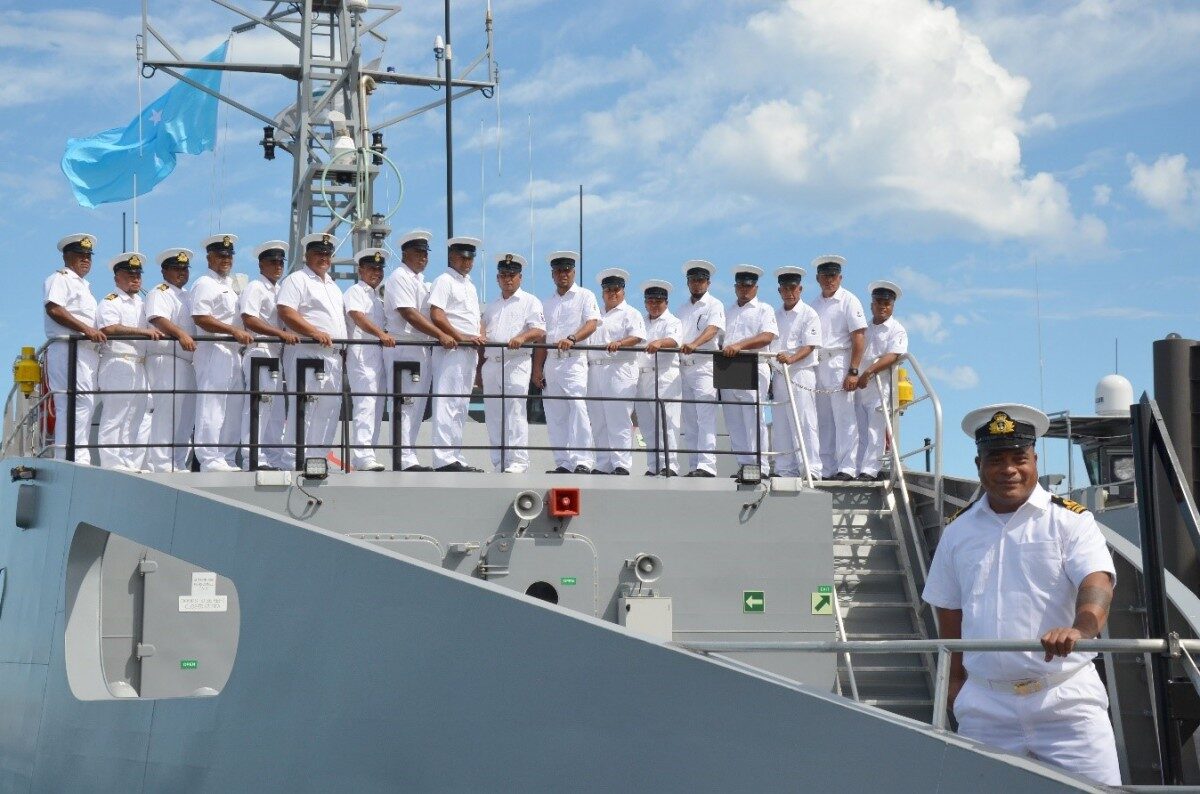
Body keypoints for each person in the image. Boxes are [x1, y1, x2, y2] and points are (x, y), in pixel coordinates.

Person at [922, 404, 1120, 786]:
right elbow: (950, 608)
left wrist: (1080, 629)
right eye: (996, 459)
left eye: (1019, 458)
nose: (1009, 469)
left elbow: (1097, 582)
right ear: (979, 464)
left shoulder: (1071, 520)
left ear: (1034, 460)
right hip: (985, 706)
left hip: (1065, 701)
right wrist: (955, 680)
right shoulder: (957, 532)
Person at [383, 230, 453, 472]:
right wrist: (441, 334)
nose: (423, 257)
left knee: (417, 406)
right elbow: (409, 313)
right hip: (403, 346)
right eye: (418, 253)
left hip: (420, 348)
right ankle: (402, 457)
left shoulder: (422, 282)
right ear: (405, 254)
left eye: (425, 253)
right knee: (405, 404)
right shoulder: (399, 277)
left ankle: (408, 454)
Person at [277, 232, 348, 468]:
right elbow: (287, 312)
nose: (324, 258)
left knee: (329, 409)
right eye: (318, 253)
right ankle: (293, 459)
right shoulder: (297, 280)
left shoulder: (333, 286)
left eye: (327, 254)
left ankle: (317, 459)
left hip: (333, 356)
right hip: (307, 352)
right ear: (307, 255)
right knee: (305, 407)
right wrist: (312, 332)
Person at [532, 251, 600, 474]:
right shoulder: (546, 303)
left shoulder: (585, 296)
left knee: (578, 408)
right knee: (555, 413)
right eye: (559, 271)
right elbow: (542, 338)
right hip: (551, 361)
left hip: (574, 360)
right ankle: (563, 462)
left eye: (567, 270)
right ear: (553, 274)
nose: (564, 274)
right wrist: (537, 368)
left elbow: (592, 324)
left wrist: (572, 338)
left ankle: (583, 460)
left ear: (573, 272)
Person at [191, 233, 253, 472]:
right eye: (220, 256)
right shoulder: (204, 284)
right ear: (209, 258)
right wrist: (233, 331)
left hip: (232, 350)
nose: (225, 260)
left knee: (232, 405)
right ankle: (209, 457)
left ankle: (226, 456)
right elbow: (201, 317)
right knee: (212, 404)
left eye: (228, 256)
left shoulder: (230, 286)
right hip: (213, 347)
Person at [481, 253, 546, 473]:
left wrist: (522, 337)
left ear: (520, 277)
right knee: (493, 414)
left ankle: (518, 460)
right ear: (498, 278)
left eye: (512, 275)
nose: (508, 279)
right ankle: (499, 461)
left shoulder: (530, 301)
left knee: (515, 411)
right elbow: (483, 334)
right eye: (503, 275)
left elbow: (539, 330)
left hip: (516, 361)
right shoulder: (492, 306)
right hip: (491, 362)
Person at [95, 253, 160, 470]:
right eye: (129, 275)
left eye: (138, 275)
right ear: (117, 279)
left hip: (140, 364)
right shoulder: (110, 301)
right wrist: (143, 331)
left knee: (136, 414)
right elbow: (109, 328)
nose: (135, 279)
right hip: (118, 362)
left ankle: (128, 460)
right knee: (116, 413)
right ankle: (111, 461)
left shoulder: (143, 303)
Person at [44, 233, 105, 463]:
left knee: (85, 402)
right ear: (67, 256)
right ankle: (68, 456)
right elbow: (55, 309)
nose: (86, 259)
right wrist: (86, 330)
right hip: (67, 347)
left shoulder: (84, 286)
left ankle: (78, 454)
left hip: (85, 351)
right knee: (69, 402)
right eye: (81, 255)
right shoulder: (59, 279)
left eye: (89, 255)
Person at [238, 241, 298, 471]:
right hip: (259, 349)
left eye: (280, 262)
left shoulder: (278, 291)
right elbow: (249, 319)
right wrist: (279, 334)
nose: (277, 266)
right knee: (259, 405)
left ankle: (273, 457)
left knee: (276, 410)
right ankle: (253, 455)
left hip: (275, 354)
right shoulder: (255, 287)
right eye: (272, 262)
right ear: (261, 264)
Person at [428, 236, 486, 473]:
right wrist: (461, 336)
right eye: (462, 257)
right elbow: (437, 315)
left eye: (470, 258)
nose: (466, 262)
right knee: (447, 401)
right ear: (452, 257)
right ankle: (443, 457)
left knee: (461, 404)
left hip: (469, 351)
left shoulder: (469, 285)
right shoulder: (444, 281)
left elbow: (475, 319)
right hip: (452, 349)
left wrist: (476, 337)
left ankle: (454, 453)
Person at [810, 255, 867, 481]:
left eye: (833, 276)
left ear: (840, 277)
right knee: (822, 418)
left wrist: (853, 370)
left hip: (840, 361)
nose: (829, 280)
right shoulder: (813, 305)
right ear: (818, 278)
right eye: (825, 276)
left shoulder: (849, 300)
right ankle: (826, 466)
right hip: (818, 362)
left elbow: (859, 337)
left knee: (844, 418)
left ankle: (847, 467)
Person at [587, 268, 646, 475]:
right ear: (602, 292)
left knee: (618, 417)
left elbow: (637, 337)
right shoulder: (597, 315)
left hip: (619, 368)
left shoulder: (631, 313)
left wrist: (619, 343)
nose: (612, 293)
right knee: (599, 418)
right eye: (608, 290)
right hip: (595, 370)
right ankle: (603, 463)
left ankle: (621, 463)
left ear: (623, 291)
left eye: (616, 289)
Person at [144, 248, 198, 472]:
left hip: (186, 362)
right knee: (166, 413)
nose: (181, 273)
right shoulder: (160, 291)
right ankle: (162, 462)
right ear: (164, 271)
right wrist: (181, 334)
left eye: (185, 269)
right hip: (165, 358)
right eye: (176, 268)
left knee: (185, 415)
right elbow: (158, 318)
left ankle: (177, 460)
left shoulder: (186, 296)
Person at [721, 265, 777, 475]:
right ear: (735, 287)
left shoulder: (764, 309)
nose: (744, 289)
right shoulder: (728, 311)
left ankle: (759, 465)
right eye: (741, 285)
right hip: (728, 366)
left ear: (756, 287)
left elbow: (767, 336)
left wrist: (739, 346)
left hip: (752, 364)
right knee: (733, 419)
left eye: (748, 285)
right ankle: (744, 464)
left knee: (753, 417)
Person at [769, 266, 822, 480]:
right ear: (779, 291)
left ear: (800, 289)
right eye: (785, 288)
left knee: (805, 421)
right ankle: (785, 469)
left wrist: (791, 359)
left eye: (793, 288)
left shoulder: (809, 314)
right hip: (779, 374)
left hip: (801, 372)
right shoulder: (775, 315)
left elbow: (810, 345)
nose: (789, 292)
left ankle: (812, 468)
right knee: (781, 423)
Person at [343, 248, 393, 472]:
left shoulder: (377, 298)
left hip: (377, 357)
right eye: (372, 268)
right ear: (360, 269)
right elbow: (358, 317)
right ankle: (362, 454)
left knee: (376, 405)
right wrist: (381, 334)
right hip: (361, 355)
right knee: (365, 404)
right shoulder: (355, 292)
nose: (376, 272)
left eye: (380, 268)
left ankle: (369, 451)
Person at [855, 280, 908, 481]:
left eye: (887, 304)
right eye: (879, 303)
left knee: (875, 428)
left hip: (880, 384)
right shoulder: (864, 328)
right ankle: (858, 466)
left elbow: (893, 355)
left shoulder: (897, 329)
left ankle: (870, 469)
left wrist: (869, 371)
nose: (883, 307)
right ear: (872, 305)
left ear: (892, 306)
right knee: (858, 428)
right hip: (860, 384)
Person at [676, 260, 725, 478]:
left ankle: (707, 465)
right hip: (683, 368)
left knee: (705, 416)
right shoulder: (681, 309)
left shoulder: (714, 305)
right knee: (689, 419)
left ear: (708, 282)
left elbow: (713, 329)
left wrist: (695, 344)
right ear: (688, 283)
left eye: (701, 280)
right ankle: (694, 464)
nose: (697, 284)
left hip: (704, 366)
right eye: (693, 280)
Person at [637, 279, 682, 476]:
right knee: (647, 426)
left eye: (658, 301)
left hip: (664, 375)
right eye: (651, 301)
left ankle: (670, 465)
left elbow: (674, 340)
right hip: (642, 376)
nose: (654, 305)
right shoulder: (641, 321)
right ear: (646, 303)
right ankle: (654, 465)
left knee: (667, 423)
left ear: (666, 303)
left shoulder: (673, 321)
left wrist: (659, 342)